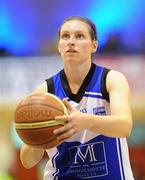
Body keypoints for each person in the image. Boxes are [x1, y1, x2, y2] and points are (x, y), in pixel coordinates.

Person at [20, 16, 134, 179]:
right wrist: (37, 137)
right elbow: (27, 161)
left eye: (79, 36)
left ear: (94, 45)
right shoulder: (46, 91)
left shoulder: (111, 79)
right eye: (65, 36)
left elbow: (124, 127)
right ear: (59, 46)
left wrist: (84, 121)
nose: (71, 42)